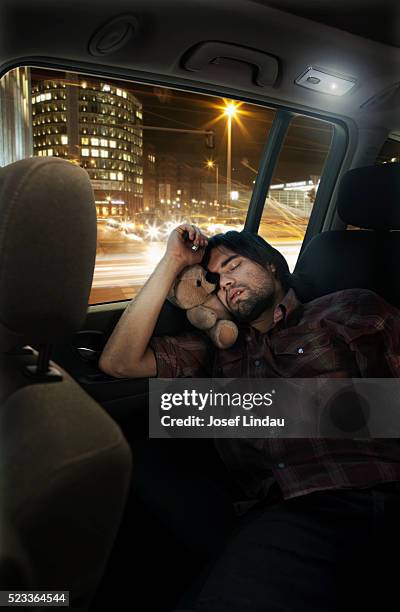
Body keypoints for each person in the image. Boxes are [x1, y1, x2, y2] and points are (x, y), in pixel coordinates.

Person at [100, 223, 400, 611]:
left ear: (271, 265)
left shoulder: (346, 308)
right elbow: (118, 362)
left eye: (234, 265)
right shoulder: (221, 350)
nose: (225, 282)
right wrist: (173, 259)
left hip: (373, 486)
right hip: (285, 511)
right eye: (215, 279)